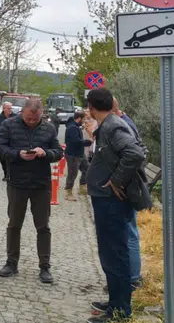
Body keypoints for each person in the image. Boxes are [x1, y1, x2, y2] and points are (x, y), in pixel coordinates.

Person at [84, 88, 146, 323]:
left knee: (115, 254)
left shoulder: (113, 125)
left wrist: (116, 181)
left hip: (111, 201)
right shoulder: (107, 124)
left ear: (91, 106)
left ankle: (120, 311)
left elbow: (135, 153)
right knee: (109, 253)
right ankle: (115, 302)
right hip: (105, 200)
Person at [0, 99, 63, 284]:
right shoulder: (8, 125)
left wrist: (45, 153)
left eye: (35, 118)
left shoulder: (49, 128)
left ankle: (45, 266)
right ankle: (11, 262)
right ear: (22, 112)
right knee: (14, 224)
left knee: (43, 226)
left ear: (41, 114)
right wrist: (18, 154)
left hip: (41, 184)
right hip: (17, 182)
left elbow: (58, 152)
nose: (32, 121)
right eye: (29, 118)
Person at [112, 97, 146, 292]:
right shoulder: (125, 122)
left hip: (128, 186)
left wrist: (117, 180)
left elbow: (136, 154)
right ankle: (130, 276)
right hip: (130, 184)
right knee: (129, 231)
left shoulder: (123, 125)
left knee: (130, 232)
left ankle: (133, 277)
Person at [63, 111, 93, 201]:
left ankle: (82, 188)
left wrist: (82, 128)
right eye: (83, 119)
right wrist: (88, 141)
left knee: (87, 168)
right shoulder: (72, 128)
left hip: (79, 153)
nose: (84, 121)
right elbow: (75, 141)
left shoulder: (75, 126)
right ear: (79, 118)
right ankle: (68, 192)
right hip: (73, 154)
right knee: (72, 173)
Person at [0, 102, 16, 181]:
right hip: (2, 141)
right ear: (4, 109)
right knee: (3, 159)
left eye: (11, 108)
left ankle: (10, 175)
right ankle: (6, 174)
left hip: (13, 141)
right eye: (9, 108)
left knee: (12, 158)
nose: (10, 110)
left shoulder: (16, 117)